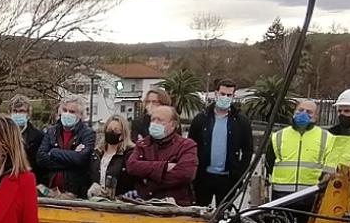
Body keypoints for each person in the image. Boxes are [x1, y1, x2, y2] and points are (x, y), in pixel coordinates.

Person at [187, 78, 254, 207]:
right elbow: (190, 146)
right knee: (199, 214)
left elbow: (247, 150)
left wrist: (240, 174)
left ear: (234, 96)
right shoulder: (201, 119)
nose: (225, 97)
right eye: (222, 94)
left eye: (229, 95)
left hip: (228, 179)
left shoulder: (241, 121)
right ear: (216, 93)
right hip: (203, 178)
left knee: (223, 218)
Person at [125, 105, 199, 205]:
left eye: (160, 120)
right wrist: (164, 166)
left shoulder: (187, 145)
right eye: (153, 120)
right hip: (143, 204)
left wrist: (147, 180)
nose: (155, 123)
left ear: (173, 125)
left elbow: (185, 174)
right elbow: (131, 166)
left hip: (175, 206)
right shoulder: (142, 144)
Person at [266, 98, 332, 201]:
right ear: (294, 112)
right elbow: (269, 163)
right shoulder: (278, 136)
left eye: (309, 112)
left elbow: (330, 166)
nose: (303, 114)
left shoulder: (327, 137)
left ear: (316, 117)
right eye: (300, 110)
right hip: (281, 196)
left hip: (311, 195)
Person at [37, 97, 96, 198]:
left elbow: (81, 159)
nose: (67, 114)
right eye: (65, 110)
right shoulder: (51, 132)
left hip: (75, 192)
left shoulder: (88, 133)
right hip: (51, 190)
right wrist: (71, 160)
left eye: (72, 111)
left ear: (81, 114)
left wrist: (54, 152)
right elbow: (41, 158)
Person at [88, 113, 134, 197]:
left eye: (116, 130)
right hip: (96, 201)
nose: (111, 132)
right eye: (109, 129)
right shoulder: (96, 154)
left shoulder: (129, 154)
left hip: (119, 203)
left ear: (123, 134)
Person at [7, 94, 45, 173]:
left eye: (21, 111)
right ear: (10, 113)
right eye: (15, 111)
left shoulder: (38, 136)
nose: (18, 114)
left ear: (28, 114)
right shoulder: (2, 134)